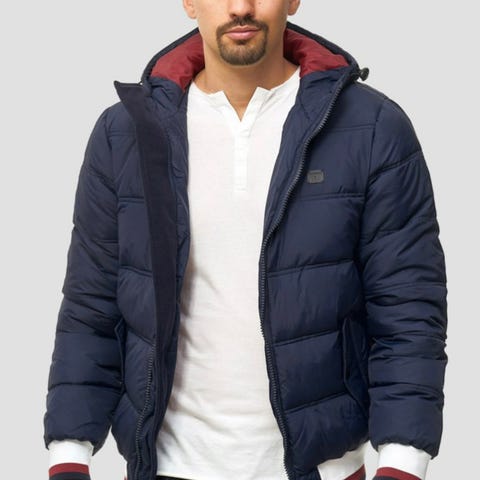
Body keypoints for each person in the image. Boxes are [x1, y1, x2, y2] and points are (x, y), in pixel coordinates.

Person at [43, 1, 448, 480]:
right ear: (189, 2)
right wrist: (68, 454)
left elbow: (408, 309)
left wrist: (403, 465)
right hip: (168, 466)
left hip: (322, 468)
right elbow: (91, 305)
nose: (241, 8)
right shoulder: (125, 133)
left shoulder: (373, 127)